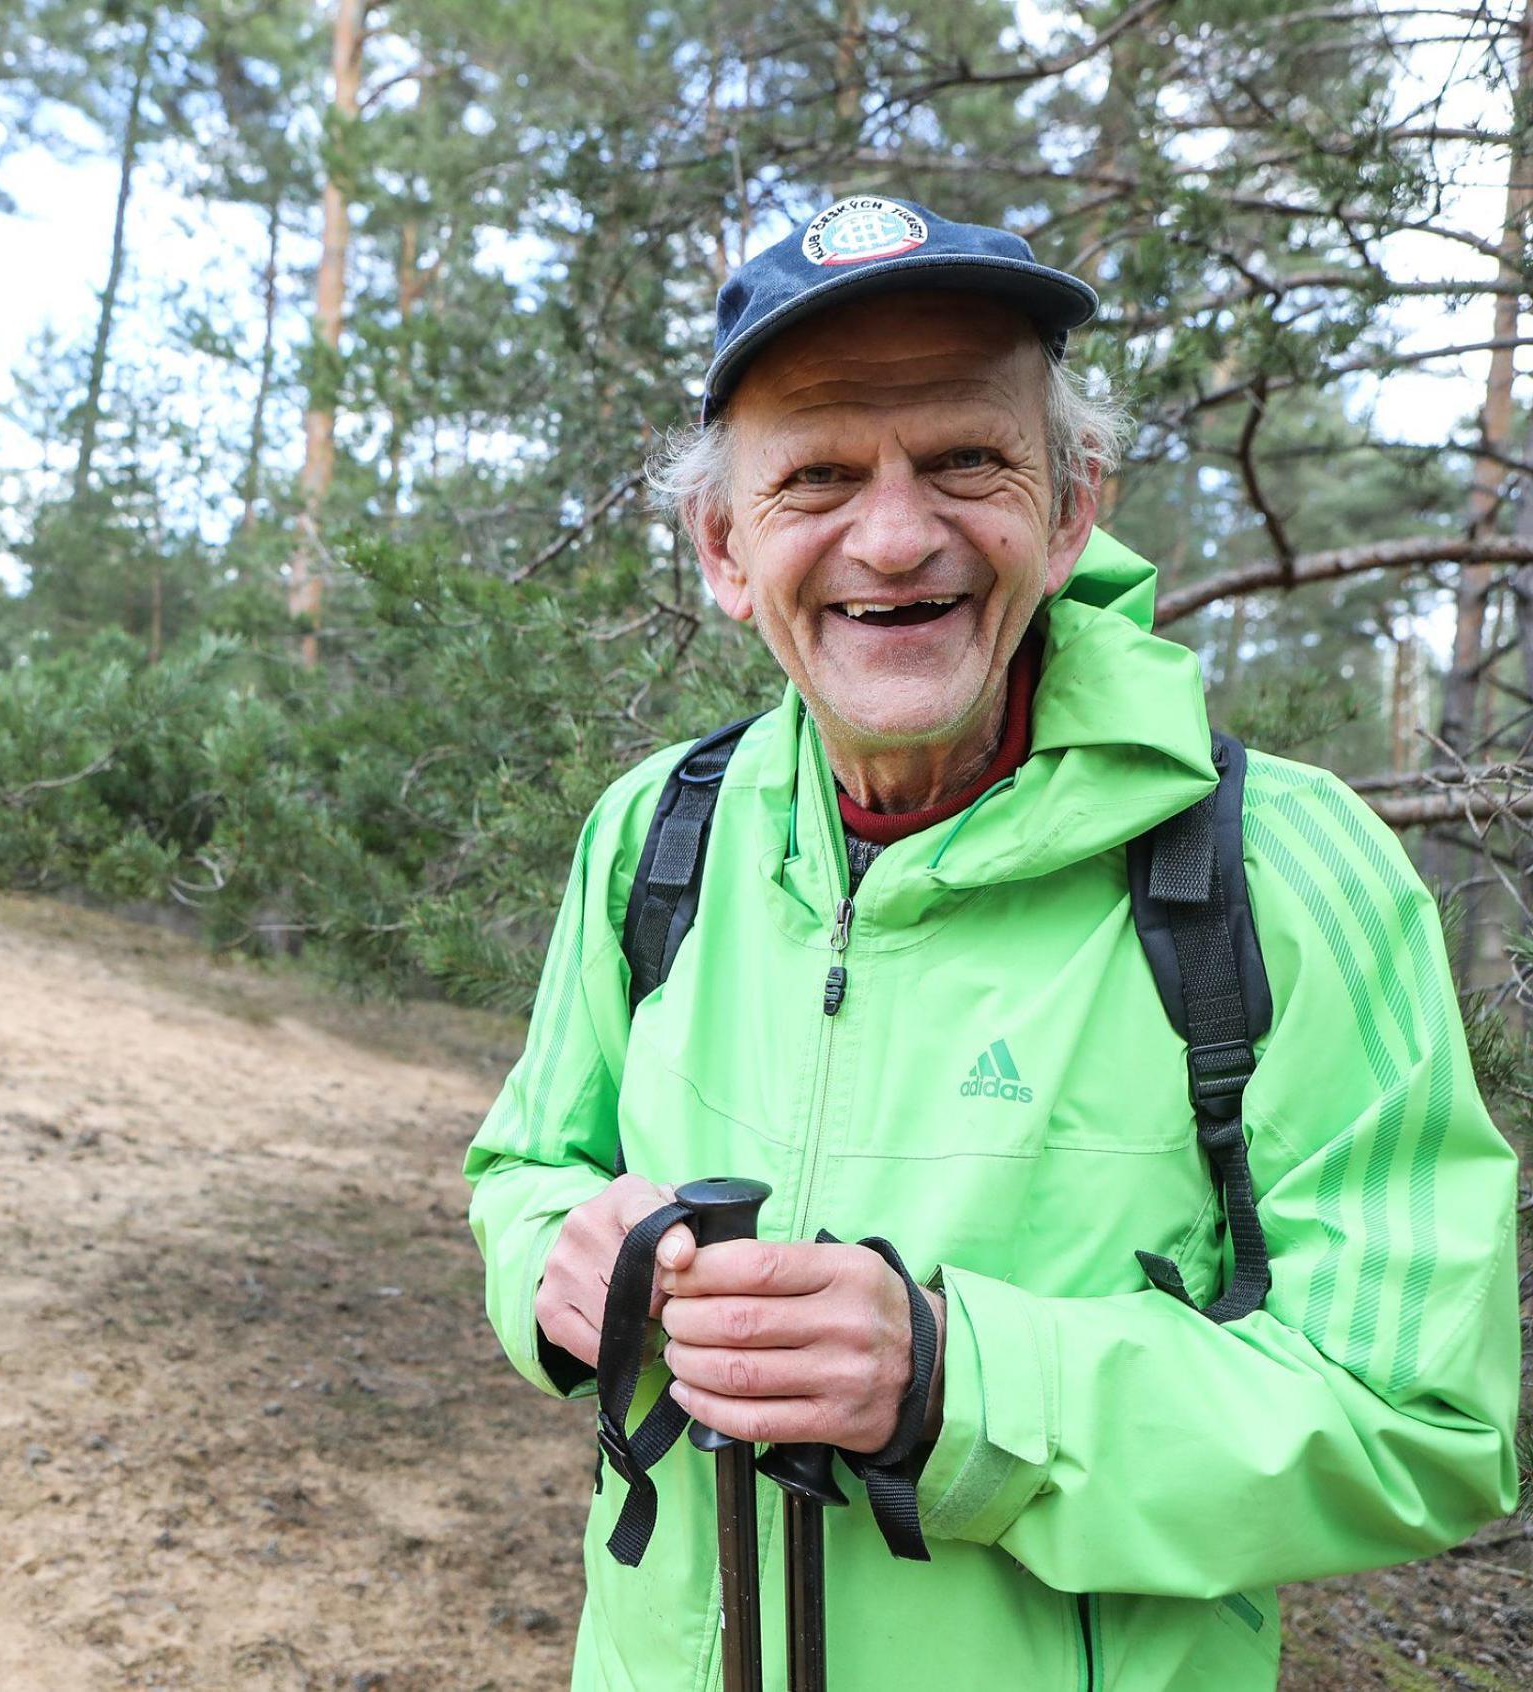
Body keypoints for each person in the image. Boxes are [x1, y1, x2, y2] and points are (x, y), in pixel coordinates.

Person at [462, 195, 1522, 1691]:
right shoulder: (656, 834)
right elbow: (523, 1170)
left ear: (1073, 502)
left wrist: (958, 1388)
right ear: (720, 547)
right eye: (817, 476)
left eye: (966, 457)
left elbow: (1424, 1422)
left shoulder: (1285, 872)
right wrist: (559, 1276)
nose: (894, 537)